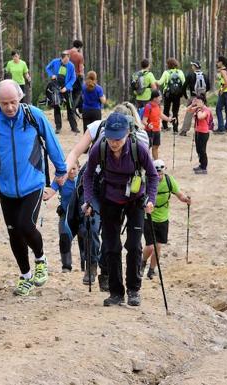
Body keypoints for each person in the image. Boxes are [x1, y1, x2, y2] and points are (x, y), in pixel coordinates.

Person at [0, 80, 67, 297]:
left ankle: (41, 259)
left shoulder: (34, 115)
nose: (10, 107)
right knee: (14, 234)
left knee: (25, 225)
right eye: (4, 103)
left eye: (13, 102)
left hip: (33, 183)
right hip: (6, 188)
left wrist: (61, 172)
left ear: (20, 97)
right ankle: (25, 276)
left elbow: (52, 143)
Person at [65, 103, 149, 292]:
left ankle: (106, 272)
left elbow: (146, 169)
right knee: (92, 227)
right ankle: (93, 267)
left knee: (113, 238)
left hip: (123, 191)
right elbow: (76, 152)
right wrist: (63, 173)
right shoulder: (97, 128)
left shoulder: (140, 138)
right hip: (97, 184)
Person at [82, 112, 158, 307]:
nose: (114, 142)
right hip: (109, 200)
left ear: (127, 134)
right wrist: (89, 200)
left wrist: (151, 199)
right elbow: (88, 176)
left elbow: (152, 175)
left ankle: (134, 290)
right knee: (112, 246)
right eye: (110, 137)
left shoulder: (138, 148)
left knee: (134, 245)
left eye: (118, 138)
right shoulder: (99, 148)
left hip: (136, 200)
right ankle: (116, 293)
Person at [140, 159, 191, 279]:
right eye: (156, 173)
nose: (158, 175)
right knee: (150, 246)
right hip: (148, 217)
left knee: (158, 246)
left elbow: (179, 194)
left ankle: (151, 270)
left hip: (163, 218)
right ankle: (142, 262)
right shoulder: (146, 180)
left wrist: (186, 199)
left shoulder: (169, 180)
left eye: (160, 173)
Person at [42, 162, 85, 277]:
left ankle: (85, 266)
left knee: (84, 238)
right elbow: (51, 190)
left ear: (79, 168)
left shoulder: (84, 179)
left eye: (74, 169)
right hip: (66, 216)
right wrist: (43, 195)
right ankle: (66, 267)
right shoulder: (61, 179)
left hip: (81, 216)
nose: (71, 171)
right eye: (69, 169)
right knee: (64, 239)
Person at [45, 51, 79, 133]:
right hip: (56, 88)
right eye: (65, 60)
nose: (67, 61)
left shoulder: (71, 66)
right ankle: (58, 127)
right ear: (61, 58)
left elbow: (73, 78)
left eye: (68, 59)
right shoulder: (55, 62)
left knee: (70, 108)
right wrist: (51, 74)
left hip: (66, 89)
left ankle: (74, 127)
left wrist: (67, 87)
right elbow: (47, 68)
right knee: (57, 107)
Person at [179, 61, 210, 136]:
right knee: (203, 113)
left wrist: (186, 97)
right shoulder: (205, 75)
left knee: (189, 113)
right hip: (202, 98)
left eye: (192, 65)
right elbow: (208, 87)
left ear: (194, 67)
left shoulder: (190, 75)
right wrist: (203, 94)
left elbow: (183, 87)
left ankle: (184, 131)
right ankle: (205, 129)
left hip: (193, 97)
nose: (191, 67)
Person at [142, 90, 174, 159]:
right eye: (160, 97)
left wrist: (169, 119)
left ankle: (156, 163)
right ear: (154, 98)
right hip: (150, 131)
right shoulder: (148, 106)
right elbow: (144, 120)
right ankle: (146, 163)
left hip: (157, 130)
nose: (161, 99)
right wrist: (148, 125)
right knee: (148, 147)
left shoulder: (157, 106)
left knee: (156, 146)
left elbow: (160, 115)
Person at [157, 58, 185, 133]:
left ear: (169, 65)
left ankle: (165, 126)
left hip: (168, 94)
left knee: (166, 109)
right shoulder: (180, 72)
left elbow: (160, 82)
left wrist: (154, 81)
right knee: (175, 111)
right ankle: (175, 128)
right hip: (177, 94)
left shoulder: (166, 73)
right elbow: (184, 83)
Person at [187, 94, 212, 174]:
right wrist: (192, 104)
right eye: (197, 101)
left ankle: (204, 167)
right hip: (197, 131)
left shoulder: (206, 110)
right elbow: (188, 110)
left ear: (203, 102)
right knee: (198, 149)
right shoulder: (198, 108)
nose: (197, 103)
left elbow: (201, 117)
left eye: (199, 101)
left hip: (204, 133)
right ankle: (201, 164)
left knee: (202, 150)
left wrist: (198, 110)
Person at [215, 56, 227, 134]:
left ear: (221, 62)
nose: (216, 63)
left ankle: (221, 128)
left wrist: (222, 90)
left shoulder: (223, 71)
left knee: (218, 109)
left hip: (225, 92)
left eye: (217, 61)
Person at [68, 40, 85, 108]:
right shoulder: (79, 55)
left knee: (70, 94)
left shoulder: (66, 53)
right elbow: (80, 68)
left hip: (67, 77)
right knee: (78, 93)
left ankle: (75, 109)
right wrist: (82, 73)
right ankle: (73, 108)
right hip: (77, 76)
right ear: (79, 47)